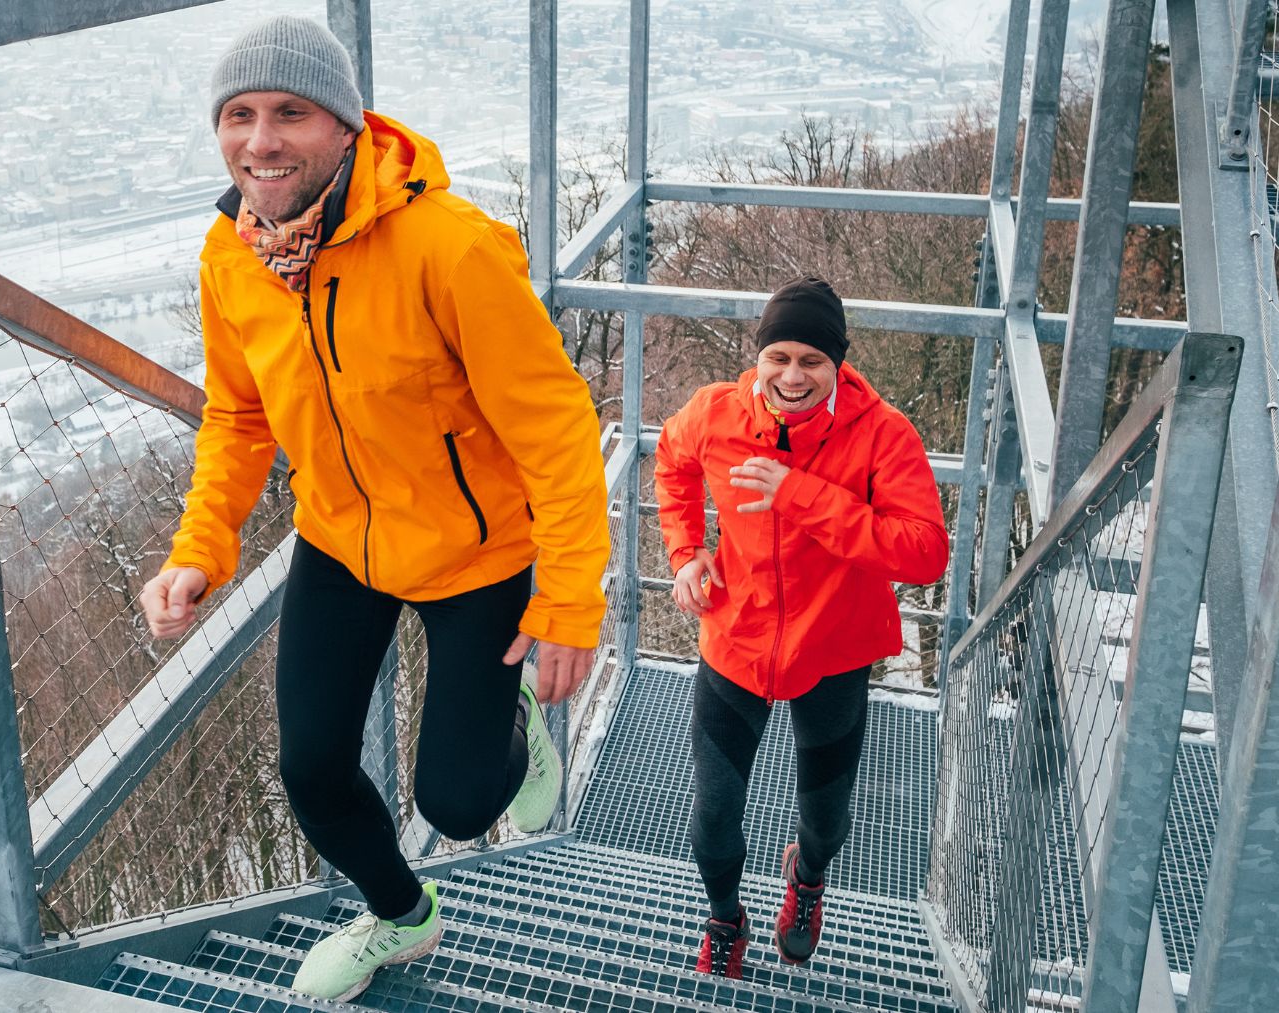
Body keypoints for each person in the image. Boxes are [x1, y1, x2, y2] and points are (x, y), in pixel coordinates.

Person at [138, 16, 608, 1002]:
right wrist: (200, 547)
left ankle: (513, 723)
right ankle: (405, 916)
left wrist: (566, 601)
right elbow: (236, 413)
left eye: (289, 114)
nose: (260, 141)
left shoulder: (450, 247)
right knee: (310, 769)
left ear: (345, 127)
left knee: (460, 796)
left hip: (477, 550)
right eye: (238, 116)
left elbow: (557, 422)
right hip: (341, 539)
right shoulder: (231, 256)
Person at [653, 276, 948, 978]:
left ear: (838, 364)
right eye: (778, 356)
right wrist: (686, 551)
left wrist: (801, 495)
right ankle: (726, 919)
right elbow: (672, 462)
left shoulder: (883, 433)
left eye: (811, 361)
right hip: (736, 640)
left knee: (827, 822)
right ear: (758, 358)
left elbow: (925, 552)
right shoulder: (714, 414)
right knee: (712, 818)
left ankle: (807, 881)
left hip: (835, 648)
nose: (792, 375)